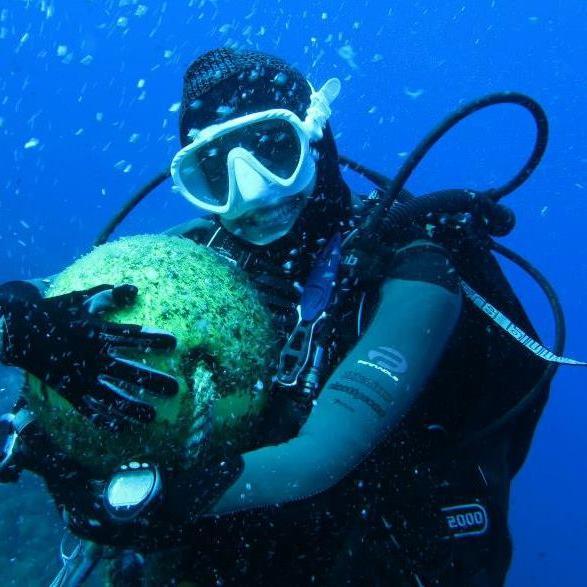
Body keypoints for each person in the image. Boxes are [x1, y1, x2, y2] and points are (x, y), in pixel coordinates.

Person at [0, 49, 557, 586]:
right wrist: (22, 321)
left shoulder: (413, 271)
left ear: (317, 138)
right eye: (216, 172)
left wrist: (155, 499)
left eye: (274, 150)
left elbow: (320, 456)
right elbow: (56, 291)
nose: (254, 191)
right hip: (232, 546)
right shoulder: (196, 255)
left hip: (375, 548)